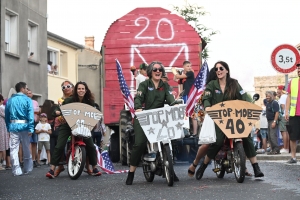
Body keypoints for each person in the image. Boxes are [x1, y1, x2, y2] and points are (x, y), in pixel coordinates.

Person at [196, 61, 264, 179]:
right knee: (217, 141)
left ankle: (256, 167)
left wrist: (251, 106)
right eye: (216, 69)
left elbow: (244, 97)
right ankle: (203, 165)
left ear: (226, 70)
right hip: (219, 118)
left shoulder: (234, 83)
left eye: (221, 68)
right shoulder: (212, 84)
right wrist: (207, 106)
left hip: (234, 116)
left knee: (246, 135)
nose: (218, 70)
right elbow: (206, 97)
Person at [125, 61, 178, 185]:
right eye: (155, 69)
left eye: (160, 69)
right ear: (150, 72)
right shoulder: (144, 84)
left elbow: (170, 99)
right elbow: (138, 97)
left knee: (171, 138)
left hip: (159, 116)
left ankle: (170, 169)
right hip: (144, 116)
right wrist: (138, 107)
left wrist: (176, 105)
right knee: (139, 143)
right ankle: (131, 172)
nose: (158, 71)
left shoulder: (165, 86)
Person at [46, 81, 102, 178]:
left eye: (82, 89)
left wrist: (94, 120)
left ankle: (94, 167)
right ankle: (52, 169)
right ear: (76, 90)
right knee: (59, 146)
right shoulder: (69, 100)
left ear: (86, 90)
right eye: (79, 89)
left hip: (82, 126)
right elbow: (57, 110)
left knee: (91, 146)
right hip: (68, 125)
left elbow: (95, 111)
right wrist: (58, 113)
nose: (81, 90)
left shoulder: (89, 101)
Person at [5, 82, 34, 176]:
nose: (27, 90)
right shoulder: (27, 100)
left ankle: (16, 169)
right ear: (22, 89)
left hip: (13, 126)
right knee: (26, 147)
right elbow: (30, 115)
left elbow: (7, 115)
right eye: (26, 88)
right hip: (25, 126)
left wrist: (8, 127)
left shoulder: (10, 100)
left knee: (14, 148)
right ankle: (27, 168)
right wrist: (31, 128)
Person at [174, 61, 198, 136]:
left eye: (190, 66)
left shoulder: (190, 73)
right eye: (187, 66)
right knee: (185, 114)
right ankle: (186, 131)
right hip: (184, 95)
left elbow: (177, 76)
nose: (189, 67)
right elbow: (176, 79)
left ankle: (195, 133)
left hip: (190, 95)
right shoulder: (184, 75)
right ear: (184, 67)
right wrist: (178, 72)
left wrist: (174, 71)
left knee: (192, 114)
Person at [285, 62, 300, 164]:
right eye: (298, 69)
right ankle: (293, 157)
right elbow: (289, 97)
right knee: (293, 136)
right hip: (294, 113)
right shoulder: (293, 81)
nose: (298, 70)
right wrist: (286, 111)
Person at [27, 88, 41, 167]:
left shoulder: (35, 102)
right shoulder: (25, 102)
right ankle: (28, 160)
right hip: (28, 123)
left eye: (30, 93)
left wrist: (38, 112)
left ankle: (34, 159)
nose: (29, 94)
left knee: (35, 142)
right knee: (28, 142)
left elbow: (38, 111)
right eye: (28, 93)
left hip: (35, 122)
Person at [265, 91, 280, 155]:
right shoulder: (268, 103)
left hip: (272, 120)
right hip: (268, 121)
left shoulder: (274, 103)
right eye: (266, 97)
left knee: (272, 135)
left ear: (272, 96)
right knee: (269, 136)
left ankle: (276, 149)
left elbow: (277, 112)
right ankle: (273, 149)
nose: (267, 98)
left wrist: (274, 121)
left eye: (268, 97)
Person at [277, 85, 289, 153]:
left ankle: (285, 148)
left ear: (281, 90)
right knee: (287, 132)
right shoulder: (287, 96)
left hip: (283, 116)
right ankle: (288, 148)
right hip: (288, 115)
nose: (277, 91)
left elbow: (282, 106)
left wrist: (284, 113)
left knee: (284, 132)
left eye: (278, 89)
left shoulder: (282, 97)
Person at [0, 94, 9, 170]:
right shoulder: (1, 108)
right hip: (2, 129)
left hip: (2, 128)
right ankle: (1, 164)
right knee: (1, 147)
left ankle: (3, 163)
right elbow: (7, 116)